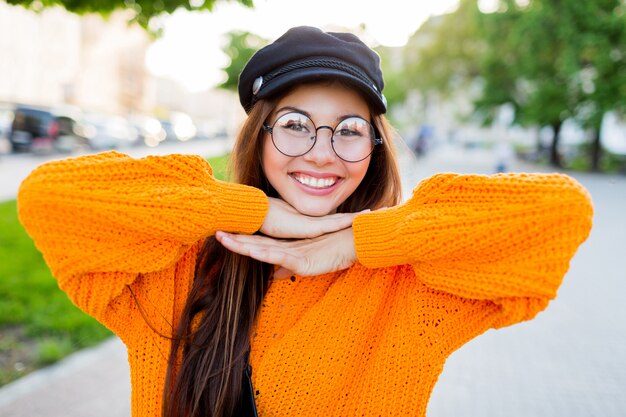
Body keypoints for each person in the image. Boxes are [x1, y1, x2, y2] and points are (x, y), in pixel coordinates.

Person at [17, 26, 593, 417]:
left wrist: (355, 245)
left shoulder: (408, 285)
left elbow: (559, 212)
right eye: (295, 124)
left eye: (348, 130)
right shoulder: (176, 265)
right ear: (259, 137)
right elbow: (50, 195)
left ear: (374, 148)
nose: (322, 152)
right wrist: (255, 210)